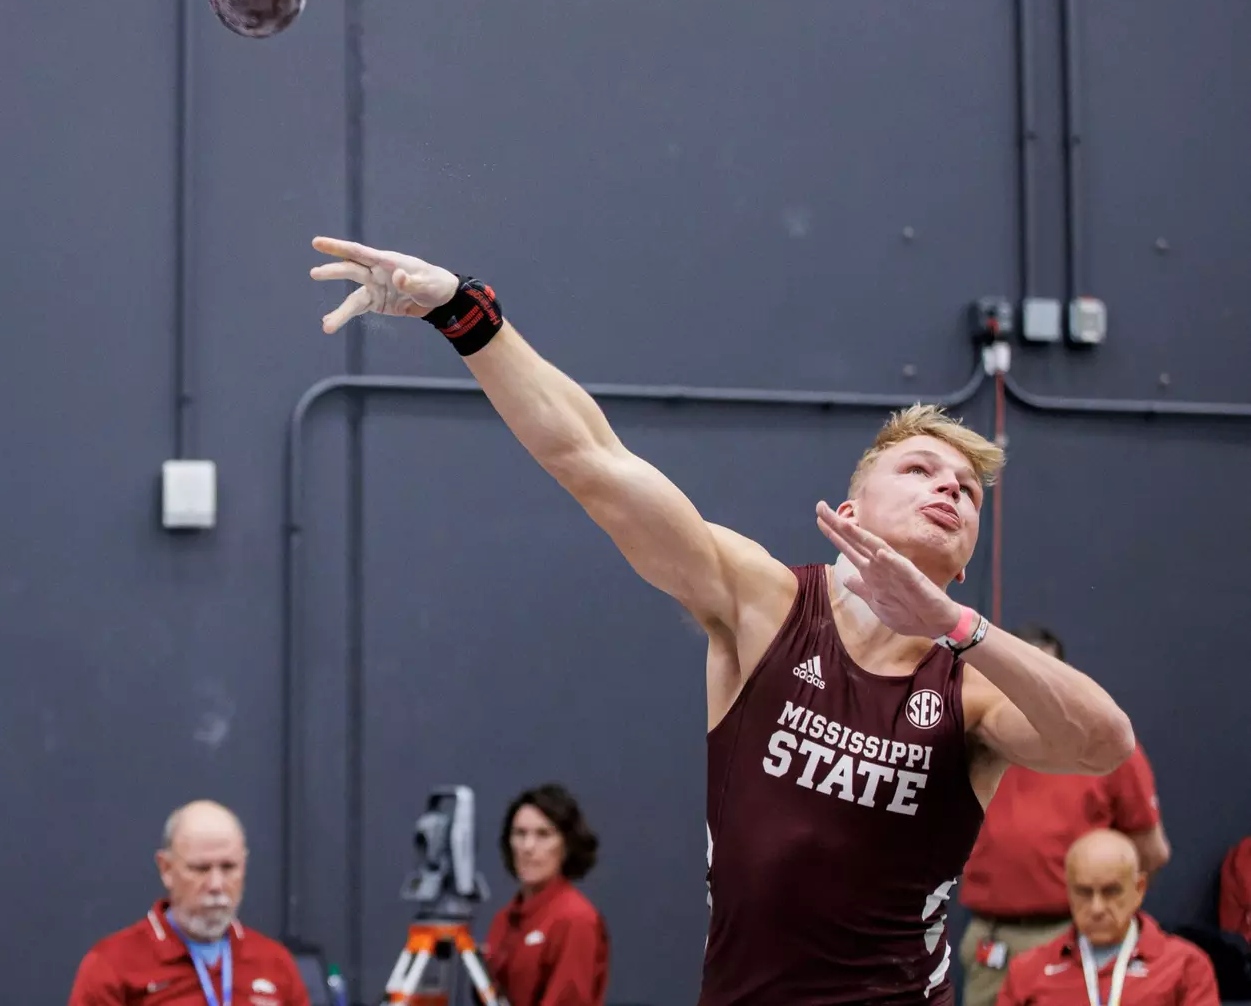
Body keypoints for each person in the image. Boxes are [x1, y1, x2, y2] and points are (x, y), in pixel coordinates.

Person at [305, 237, 1135, 1004]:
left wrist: (959, 625)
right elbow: (592, 461)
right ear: (852, 508)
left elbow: (1104, 743)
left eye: (967, 489)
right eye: (921, 468)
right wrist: (463, 310)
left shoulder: (971, 684)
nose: (950, 488)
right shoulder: (766, 602)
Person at [959, 625, 1171, 1006]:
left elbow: (1149, 853)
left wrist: (1096, 917)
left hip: (1069, 940)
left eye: (1040, 678)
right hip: (988, 939)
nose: (1027, 692)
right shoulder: (973, 742)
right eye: (1015, 676)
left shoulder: (1106, 749)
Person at [68, 800, 311, 1006]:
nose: (216, 884)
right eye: (200, 868)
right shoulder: (113, 965)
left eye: (228, 867)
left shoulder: (275, 962)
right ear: (166, 869)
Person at [995, 829, 1218, 1005]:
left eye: (1111, 891)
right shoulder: (1027, 970)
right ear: (1068, 892)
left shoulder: (1185, 966)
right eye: (1084, 892)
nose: (1097, 907)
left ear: (1139, 889)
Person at [485, 783, 610, 1006]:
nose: (528, 846)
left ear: (567, 845)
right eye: (520, 834)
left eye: (543, 834)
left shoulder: (576, 919)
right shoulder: (504, 919)